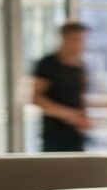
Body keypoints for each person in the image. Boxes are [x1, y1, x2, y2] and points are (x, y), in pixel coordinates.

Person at [31, 20, 93, 151]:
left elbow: (79, 98)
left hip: (76, 135)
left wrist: (82, 118)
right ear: (65, 38)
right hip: (54, 135)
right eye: (77, 39)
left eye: (82, 40)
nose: (81, 45)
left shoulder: (80, 67)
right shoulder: (47, 64)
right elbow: (35, 97)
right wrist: (68, 115)